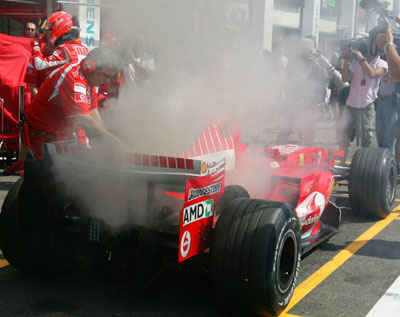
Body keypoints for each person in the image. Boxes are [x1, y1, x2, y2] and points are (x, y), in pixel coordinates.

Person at [5, 11, 89, 175]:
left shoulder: (67, 51)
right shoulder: (39, 57)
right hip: (48, 109)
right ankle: (23, 163)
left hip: (70, 109)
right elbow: (32, 86)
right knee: (33, 137)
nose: (45, 33)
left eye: (49, 30)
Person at [24, 47, 129, 159]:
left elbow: (93, 112)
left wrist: (105, 141)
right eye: (106, 75)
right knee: (54, 173)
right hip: (43, 133)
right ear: (91, 67)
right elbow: (85, 122)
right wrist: (116, 144)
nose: (107, 81)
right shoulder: (73, 78)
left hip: (63, 132)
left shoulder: (91, 78)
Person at [339, 31, 387, 163]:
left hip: (366, 105)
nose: (365, 50)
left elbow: (371, 74)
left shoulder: (382, 64)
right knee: (344, 136)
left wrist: (361, 59)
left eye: (367, 47)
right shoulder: (356, 63)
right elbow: (345, 78)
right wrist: (346, 60)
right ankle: (342, 161)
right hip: (350, 104)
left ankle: (363, 164)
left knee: (365, 138)